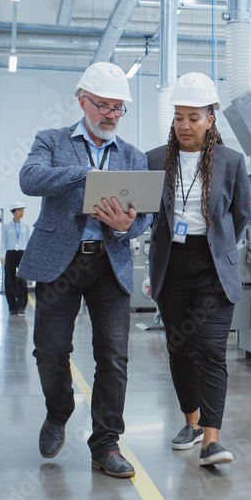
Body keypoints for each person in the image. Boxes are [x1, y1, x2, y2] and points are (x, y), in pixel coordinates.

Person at [18, 61, 153, 478]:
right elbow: (30, 178)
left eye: (118, 108)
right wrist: (86, 174)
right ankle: (59, 411)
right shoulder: (52, 140)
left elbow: (146, 216)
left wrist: (130, 225)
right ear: (82, 101)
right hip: (60, 262)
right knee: (51, 351)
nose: (111, 114)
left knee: (113, 358)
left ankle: (106, 443)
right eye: (104, 105)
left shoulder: (132, 155)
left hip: (109, 263)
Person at [147, 72, 251, 467]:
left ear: (211, 118)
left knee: (209, 348)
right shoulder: (155, 159)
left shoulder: (232, 162)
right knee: (180, 350)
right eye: (178, 117)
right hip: (171, 265)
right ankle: (190, 422)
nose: (184, 126)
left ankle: (212, 439)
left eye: (193, 117)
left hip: (211, 268)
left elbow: (239, 216)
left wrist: (218, 246)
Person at [1, 201, 32, 315]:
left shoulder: (26, 226)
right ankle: (12, 307)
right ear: (14, 212)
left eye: (23, 210)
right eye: (19, 210)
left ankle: (21, 306)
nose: (21, 212)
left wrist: (29, 256)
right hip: (10, 253)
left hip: (22, 253)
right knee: (10, 279)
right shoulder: (7, 226)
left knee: (22, 280)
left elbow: (29, 242)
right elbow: (3, 241)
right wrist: (1, 255)